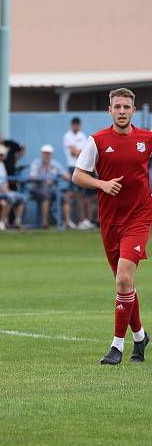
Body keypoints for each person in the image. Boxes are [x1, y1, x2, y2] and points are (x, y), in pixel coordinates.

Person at [72, 88, 152, 365]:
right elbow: (78, 175)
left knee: (123, 280)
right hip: (109, 222)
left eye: (126, 107)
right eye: (116, 106)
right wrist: (102, 184)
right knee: (124, 285)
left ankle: (117, 346)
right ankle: (141, 336)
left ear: (133, 110)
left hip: (139, 218)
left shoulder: (146, 139)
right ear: (110, 110)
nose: (121, 111)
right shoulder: (97, 141)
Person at [28, 144, 70, 229]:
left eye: (48, 153)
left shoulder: (55, 163)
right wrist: (44, 180)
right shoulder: (36, 163)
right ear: (42, 153)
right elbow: (32, 177)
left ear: (51, 154)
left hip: (51, 189)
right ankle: (44, 222)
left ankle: (67, 223)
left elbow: (67, 176)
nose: (46, 155)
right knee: (45, 194)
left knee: (64, 197)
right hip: (38, 188)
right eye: (45, 153)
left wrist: (61, 175)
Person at [64, 117, 95, 229]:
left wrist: (82, 153)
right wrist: (83, 153)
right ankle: (78, 220)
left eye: (78, 125)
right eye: (74, 125)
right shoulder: (68, 136)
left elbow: (85, 152)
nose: (76, 127)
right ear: (72, 125)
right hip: (73, 167)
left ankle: (84, 220)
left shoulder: (82, 136)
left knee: (82, 195)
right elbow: (74, 152)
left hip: (82, 167)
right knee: (76, 195)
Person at [0, 143, 25, 229]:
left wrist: (6, 189)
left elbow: (4, 179)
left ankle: (17, 221)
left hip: (4, 190)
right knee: (7, 200)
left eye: (2, 155)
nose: (0, 156)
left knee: (21, 199)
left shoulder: (1, 164)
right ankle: (3, 221)